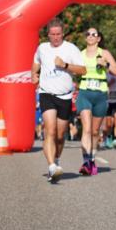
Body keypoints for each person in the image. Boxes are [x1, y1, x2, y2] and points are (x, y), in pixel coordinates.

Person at [32, 18, 85, 183]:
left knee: (61, 136)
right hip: (46, 93)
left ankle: (56, 159)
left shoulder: (71, 49)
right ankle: (51, 166)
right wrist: (34, 74)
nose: (55, 37)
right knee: (50, 131)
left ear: (63, 34)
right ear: (48, 34)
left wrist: (65, 65)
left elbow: (83, 70)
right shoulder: (42, 48)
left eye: (58, 34)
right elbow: (36, 63)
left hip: (65, 96)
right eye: (52, 34)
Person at [75, 27, 116, 176]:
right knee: (87, 129)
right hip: (84, 92)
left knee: (95, 132)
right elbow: (73, 70)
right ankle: (86, 161)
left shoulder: (104, 53)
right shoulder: (80, 54)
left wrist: (106, 65)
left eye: (93, 34)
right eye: (88, 34)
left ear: (98, 38)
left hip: (100, 94)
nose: (90, 36)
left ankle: (92, 158)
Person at [101, 71, 116, 149]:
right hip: (108, 102)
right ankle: (108, 138)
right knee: (109, 124)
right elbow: (102, 86)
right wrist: (110, 83)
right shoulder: (105, 75)